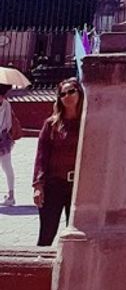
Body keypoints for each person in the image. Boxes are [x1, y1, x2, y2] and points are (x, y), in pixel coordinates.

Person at [33, 79, 84, 246]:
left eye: (71, 92)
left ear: (79, 92)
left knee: (76, 235)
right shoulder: (52, 124)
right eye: (62, 94)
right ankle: (41, 267)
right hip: (54, 185)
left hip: (79, 187)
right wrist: (38, 186)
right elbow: (42, 155)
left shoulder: (87, 123)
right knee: (47, 233)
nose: (67, 96)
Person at [0, 84, 17, 205]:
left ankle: (11, 196)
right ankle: (11, 196)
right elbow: (8, 124)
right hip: (4, 140)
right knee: (7, 167)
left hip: (2, 140)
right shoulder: (6, 104)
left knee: (7, 167)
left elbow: (8, 123)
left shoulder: (6, 104)